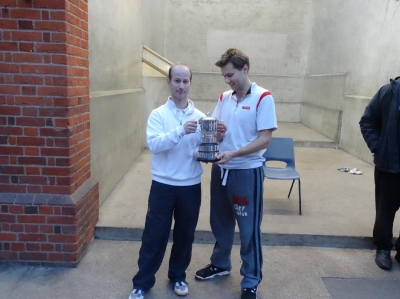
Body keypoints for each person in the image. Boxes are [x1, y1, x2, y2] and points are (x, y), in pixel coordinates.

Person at [195, 48, 277, 299]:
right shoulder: (224, 98)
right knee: (220, 222)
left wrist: (235, 153)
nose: (227, 80)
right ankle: (220, 265)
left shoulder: (263, 98)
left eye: (230, 74)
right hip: (221, 168)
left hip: (246, 172)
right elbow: (218, 133)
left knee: (248, 228)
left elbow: (265, 140)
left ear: (245, 68)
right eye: (224, 76)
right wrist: (218, 136)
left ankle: (251, 279)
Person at [128, 63, 205, 299]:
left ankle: (178, 277)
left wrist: (210, 146)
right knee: (154, 235)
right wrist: (181, 130)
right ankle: (142, 283)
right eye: (177, 80)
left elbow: (198, 151)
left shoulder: (201, 117)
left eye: (185, 81)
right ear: (168, 82)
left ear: (190, 83)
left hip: (190, 186)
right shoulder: (158, 115)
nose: (181, 85)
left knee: (185, 235)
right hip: (163, 186)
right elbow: (156, 145)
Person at [359, 76, 400, 271]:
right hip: (389, 166)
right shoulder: (388, 92)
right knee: (385, 211)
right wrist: (378, 147)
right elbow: (367, 121)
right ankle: (383, 248)